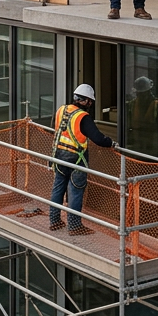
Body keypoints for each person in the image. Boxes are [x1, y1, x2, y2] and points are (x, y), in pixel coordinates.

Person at [49, 84, 116, 236]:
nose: (90, 105)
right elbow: (98, 139)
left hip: (59, 157)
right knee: (75, 192)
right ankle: (74, 226)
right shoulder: (83, 117)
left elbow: (57, 131)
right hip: (76, 160)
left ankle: (54, 221)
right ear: (85, 101)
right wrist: (111, 143)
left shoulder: (61, 110)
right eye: (90, 102)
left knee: (58, 188)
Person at [124, 76, 158, 159]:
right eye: (139, 93)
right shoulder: (131, 105)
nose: (140, 95)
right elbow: (128, 125)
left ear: (148, 92)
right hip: (136, 147)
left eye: (142, 93)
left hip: (153, 148)